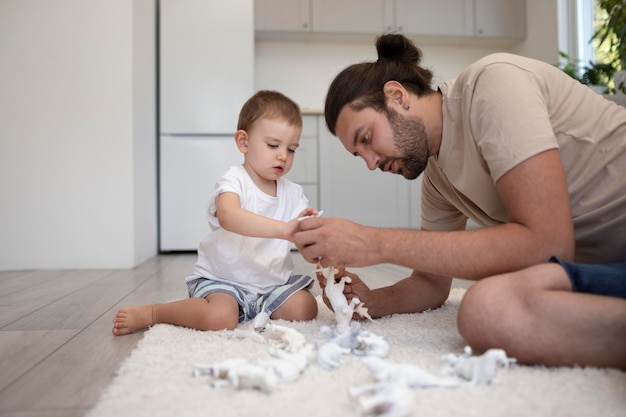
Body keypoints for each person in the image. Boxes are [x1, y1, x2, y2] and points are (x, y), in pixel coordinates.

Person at [294, 34, 626, 369]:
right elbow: (430, 283)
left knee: (486, 309)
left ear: (397, 96)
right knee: (490, 308)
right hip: (608, 267)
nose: (370, 163)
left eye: (366, 138)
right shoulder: (438, 179)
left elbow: (549, 245)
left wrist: (374, 243)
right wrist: (374, 301)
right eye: (358, 154)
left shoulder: (493, 83)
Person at [113, 90, 319, 335]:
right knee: (219, 318)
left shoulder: (293, 193)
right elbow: (228, 216)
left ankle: (256, 309)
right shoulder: (235, 180)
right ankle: (156, 312)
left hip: (271, 285)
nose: (283, 155)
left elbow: (308, 235)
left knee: (306, 308)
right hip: (224, 281)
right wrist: (284, 229)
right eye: (273, 145)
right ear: (243, 142)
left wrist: (324, 255)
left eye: (292, 148)